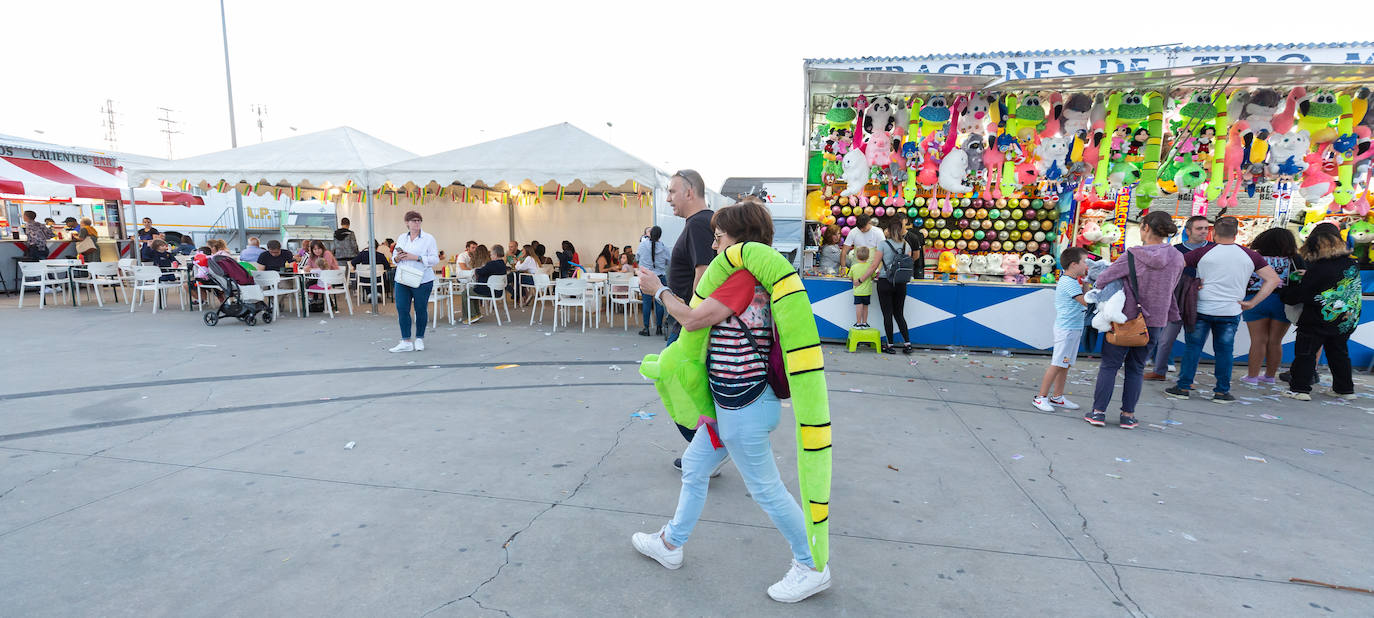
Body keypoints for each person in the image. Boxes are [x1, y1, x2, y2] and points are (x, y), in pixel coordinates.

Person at [631, 200, 831, 603]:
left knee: (766, 490)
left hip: (744, 406)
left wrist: (660, 290)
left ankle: (812, 566)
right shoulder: (743, 276)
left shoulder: (742, 278)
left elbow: (690, 318)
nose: (715, 241)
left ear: (740, 236)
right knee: (694, 465)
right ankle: (671, 543)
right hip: (730, 404)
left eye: (720, 234)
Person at [1085, 211, 1185, 429]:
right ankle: (1128, 415)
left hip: (1125, 320)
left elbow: (1103, 279)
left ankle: (1098, 412)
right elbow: (1172, 288)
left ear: (1145, 227)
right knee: (1136, 368)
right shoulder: (1178, 258)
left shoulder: (1132, 255)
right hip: (1156, 321)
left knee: (1110, 366)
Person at [1165, 217, 1280, 403]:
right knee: (1225, 351)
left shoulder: (1202, 252)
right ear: (1236, 233)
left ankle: (1183, 387)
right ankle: (1221, 392)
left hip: (1202, 307)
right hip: (1231, 310)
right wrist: (1253, 302)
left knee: (1193, 349)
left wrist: (1191, 283)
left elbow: (1172, 269)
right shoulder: (1250, 255)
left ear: (1214, 233)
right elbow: (1273, 279)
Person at [662, 169, 717, 468]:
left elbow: (704, 273)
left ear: (690, 192)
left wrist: (690, 317)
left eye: (672, 191)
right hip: (687, 321)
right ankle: (707, 450)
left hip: (687, 323)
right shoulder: (700, 223)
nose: (668, 198)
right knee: (687, 388)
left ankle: (709, 451)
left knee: (674, 382)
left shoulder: (698, 224)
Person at [1280, 226, 1361, 400]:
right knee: (1339, 353)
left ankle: (1300, 389)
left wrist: (1289, 289)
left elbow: (1301, 295)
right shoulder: (1351, 263)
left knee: (1306, 354)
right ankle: (1345, 389)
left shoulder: (1319, 268)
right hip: (1344, 319)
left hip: (1316, 319)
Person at [1144, 215, 1213, 381]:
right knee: (1165, 339)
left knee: (1194, 342)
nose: (1204, 232)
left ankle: (1187, 378)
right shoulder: (1175, 250)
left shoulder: (1214, 249)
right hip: (1176, 299)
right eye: (1199, 228)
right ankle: (1159, 371)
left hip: (1203, 300)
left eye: (1206, 228)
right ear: (1188, 231)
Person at [1241, 228, 1303, 385]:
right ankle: (1269, 377)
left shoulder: (1253, 257)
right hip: (1283, 301)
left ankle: (1252, 376)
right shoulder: (1295, 259)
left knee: (1257, 340)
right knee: (1275, 341)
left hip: (1255, 299)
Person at [1034, 248, 1091, 411]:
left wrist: (1086, 282)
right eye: (1084, 262)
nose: (1086, 265)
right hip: (1066, 329)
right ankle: (1041, 397)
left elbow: (1084, 298)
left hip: (1074, 327)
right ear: (1074, 264)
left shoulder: (1073, 282)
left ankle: (1057, 396)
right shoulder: (1068, 282)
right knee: (1057, 363)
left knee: (1065, 364)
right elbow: (1086, 302)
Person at [389, 211, 439, 353]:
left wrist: (415, 257)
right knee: (402, 308)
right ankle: (405, 340)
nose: (416, 223)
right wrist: (398, 258)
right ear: (407, 223)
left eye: (419, 220)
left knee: (420, 308)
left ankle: (419, 338)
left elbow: (434, 259)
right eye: (413, 220)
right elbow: (394, 258)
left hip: (422, 279)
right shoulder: (402, 238)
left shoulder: (428, 238)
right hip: (403, 278)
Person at [873, 219, 912, 354]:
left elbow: (874, 265)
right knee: (899, 314)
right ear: (901, 229)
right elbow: (907, 264)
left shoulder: (883, 244)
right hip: (901, 283)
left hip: (885, 282)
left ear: (888, 230)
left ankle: (890, 345)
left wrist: (862, 278)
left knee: (887, 314)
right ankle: (907, 344)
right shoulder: (906, 245)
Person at [637, 226, 671, 336]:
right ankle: (659, 328)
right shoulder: (664, 248)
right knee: (659, 304)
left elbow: (637, 258)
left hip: (646, 277)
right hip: (660, 277)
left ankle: (646, 328)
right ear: (660, 235)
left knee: (646, 303)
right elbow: (668, 262)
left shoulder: (642, 245)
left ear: (650, 234)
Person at [462, 244, 507, 323]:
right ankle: (476, 314)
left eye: (491, 254)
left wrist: (476, 270)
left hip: (489, 291)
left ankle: (472, 316)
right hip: (499, 291)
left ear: (495, 255)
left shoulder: (491, 264)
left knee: (466, 292)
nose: (490, 256)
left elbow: (480, 271)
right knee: (473, 290)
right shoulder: (503, 264)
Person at [849, 246, 876, 328]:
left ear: (856, 256)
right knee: (865, 308)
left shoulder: (853, 267)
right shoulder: (870, 266)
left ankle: (858, 323)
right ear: (868, 257)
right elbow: (873, 277)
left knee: (858, 307)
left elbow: (850, 278)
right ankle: (864, 323)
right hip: (867, 291)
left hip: (857, 291)